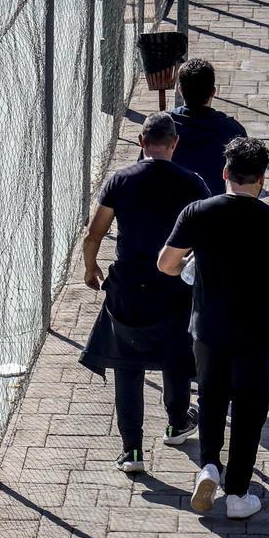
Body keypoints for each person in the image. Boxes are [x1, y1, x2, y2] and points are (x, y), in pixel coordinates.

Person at [158, 137, 269, 519]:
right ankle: (239, 494)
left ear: (225, 173)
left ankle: (209, 466)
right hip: (257, 333)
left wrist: (188, 267)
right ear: (262, 179)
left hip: (209, 328)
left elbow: (165, 263)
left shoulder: (197, 212)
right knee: (250, 408)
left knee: (211, 397)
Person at [78, 113, 210, 473]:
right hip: (173, 280)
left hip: (127, 283)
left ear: (140, 140)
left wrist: (91, 268)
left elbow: (94, 234)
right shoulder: (192, 183)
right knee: (176, 354)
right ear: (174, 143)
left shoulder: (120, 180)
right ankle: (177, 422)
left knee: (127, 362)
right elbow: (205, 238)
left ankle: (132, 449)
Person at [167, 58, 248, 196]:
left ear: (180, 90)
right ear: (213, 92)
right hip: (216, 212)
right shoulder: (233, 131)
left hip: (173, 209)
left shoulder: (164, 126)